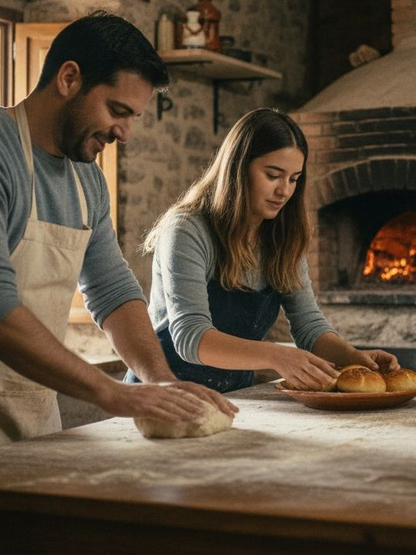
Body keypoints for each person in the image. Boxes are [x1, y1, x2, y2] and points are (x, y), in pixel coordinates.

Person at [0, 12, 235, 555]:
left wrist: (161, 380)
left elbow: (113, 289)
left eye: (133, 117)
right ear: (69, 78)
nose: (125, 132)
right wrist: (115, 394)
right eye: (118, 111)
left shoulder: (85, 176)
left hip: (31, 410)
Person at [127, 108, 398, 393]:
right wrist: (277, 355)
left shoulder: (283, 236)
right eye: (273, 175)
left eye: (294, 179)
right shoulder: (187, 230)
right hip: (162, 396)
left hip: (236, 397)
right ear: (238, 167)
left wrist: (353, 357)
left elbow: (309, 326)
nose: (284, 190)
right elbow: (190, 338)